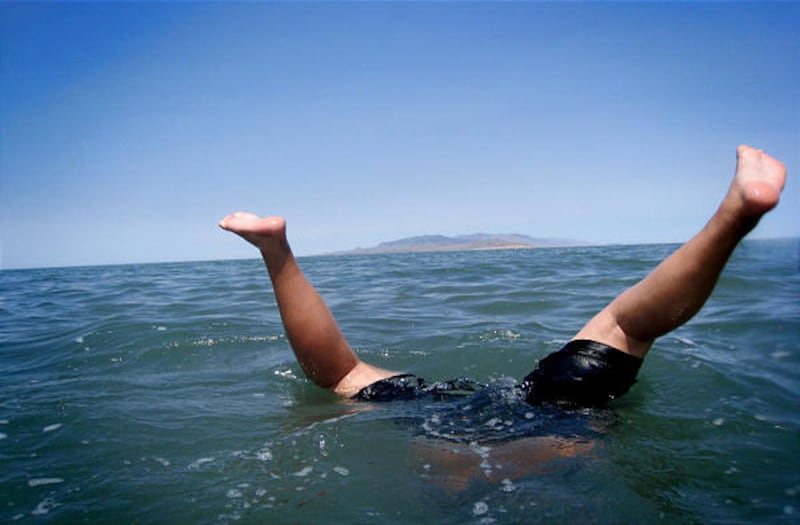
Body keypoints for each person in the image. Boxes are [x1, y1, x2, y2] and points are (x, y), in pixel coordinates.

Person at [219, 145, 787, 406]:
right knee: (622, 324)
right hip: (553, 421)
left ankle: (275, 249)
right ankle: (734, 214)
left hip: (451, 424)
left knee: (342, 375)